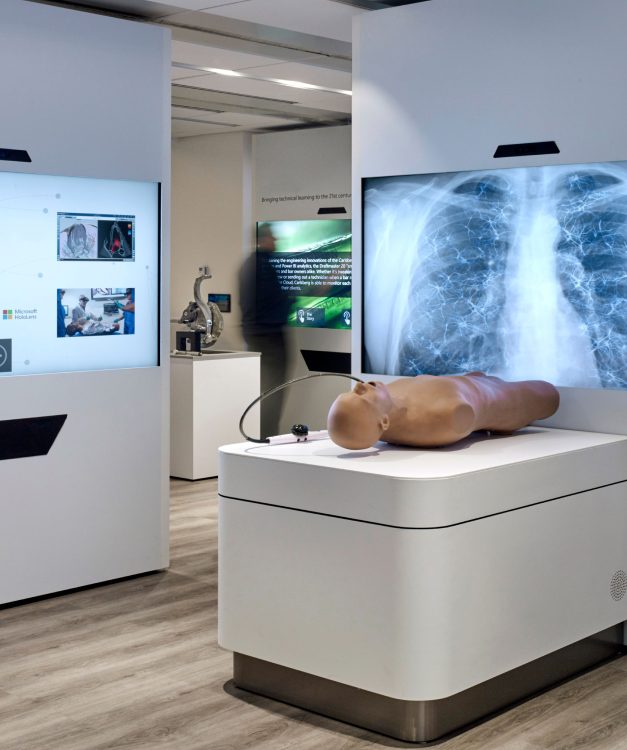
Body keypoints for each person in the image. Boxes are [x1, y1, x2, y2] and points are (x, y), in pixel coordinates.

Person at [328, 372, 560, 450]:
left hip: (474, 383)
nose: (358, 386)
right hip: (505, 397)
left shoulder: (387, 396)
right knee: (550, 395)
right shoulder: (447, 417)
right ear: (384, 423)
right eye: (361, 397)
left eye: (350, 391)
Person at [240, 225, 291, 439]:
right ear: (262, 239)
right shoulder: (264, 266)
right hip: (269, 339)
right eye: (271, 236)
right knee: (272, 392)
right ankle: (267, 440)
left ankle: (263, 438)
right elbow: (281, 300)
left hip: (256, 337)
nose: (276, 240)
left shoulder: (249, 265)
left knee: (265, 391)